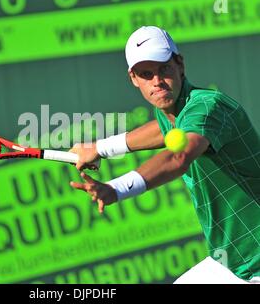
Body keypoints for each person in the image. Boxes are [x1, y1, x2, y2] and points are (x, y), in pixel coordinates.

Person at [69, 26, 260, 284]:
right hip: (232, 261)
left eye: (164, 69)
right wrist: (99, 148)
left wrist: (116, 189)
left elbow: (177, 158)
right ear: (134, 79)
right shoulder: (173, 110)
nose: (157, 81)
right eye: (146, 74)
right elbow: (162, 130)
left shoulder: (207, 107)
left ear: (179, 64)